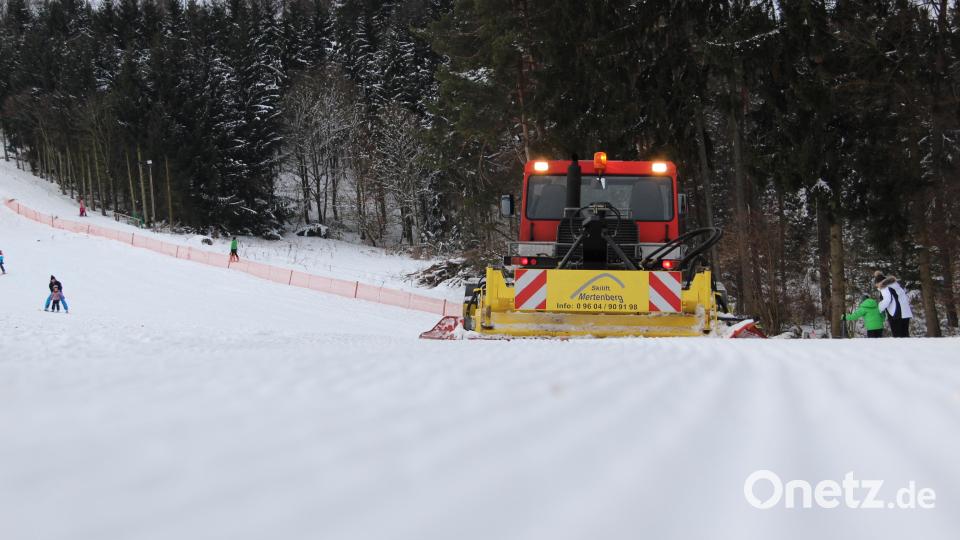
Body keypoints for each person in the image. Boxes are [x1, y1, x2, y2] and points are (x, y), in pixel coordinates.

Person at [875, 271, 912, 338]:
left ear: (879, 283)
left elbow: (887, 300)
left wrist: (878, 309)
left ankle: (900, 348)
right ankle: (908, 348)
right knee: (905, 335)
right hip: (906, 313)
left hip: (896, 314)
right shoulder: (895, 285)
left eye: (876, 285)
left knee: (897, 336)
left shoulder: (885, 287)